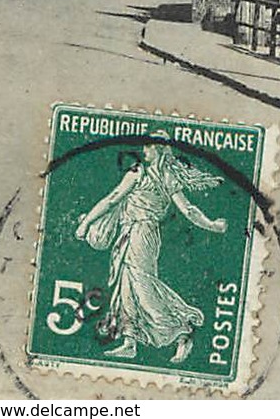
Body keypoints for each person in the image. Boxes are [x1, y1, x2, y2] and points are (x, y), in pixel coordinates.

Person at [75, 139, 228, 362]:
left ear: (158, 150)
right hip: (133, 232)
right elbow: (189, 210)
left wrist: (85, 223)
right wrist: (212, 224)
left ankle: (181, 331)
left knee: (142, 286)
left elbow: (112, 199)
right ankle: (130, 341)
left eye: (149, 146)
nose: (144, 150)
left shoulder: (142, 173)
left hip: (141, 234)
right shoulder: (162, 176)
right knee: (126, 286)